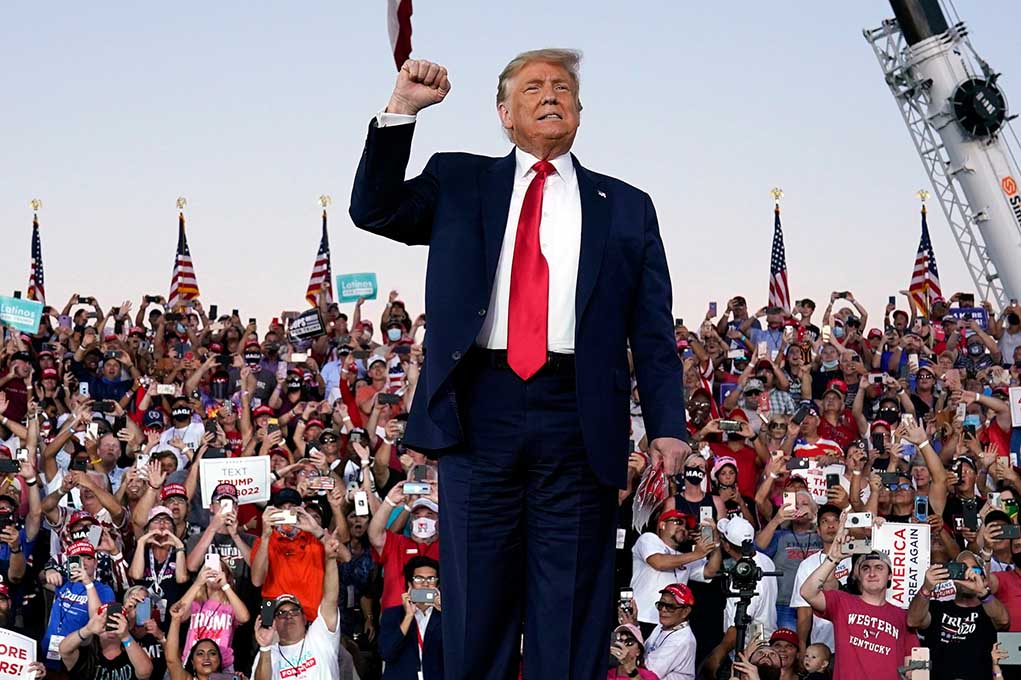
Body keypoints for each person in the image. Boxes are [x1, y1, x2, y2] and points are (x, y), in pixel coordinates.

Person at [349, 48, 688, 679]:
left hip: (580, 415)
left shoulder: (628, 205)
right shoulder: (460, 180)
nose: (551, 95)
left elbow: (651, 328)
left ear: (581, 112)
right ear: (504, 113)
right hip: (481, 406)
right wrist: (401, 109)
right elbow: (374, 209)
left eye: (563, 87)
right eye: (533, 87)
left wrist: (668, 423)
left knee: (573, 603)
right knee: (477, 598)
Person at [798, 540, 917, 680]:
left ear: (890, 576)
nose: (872, 573)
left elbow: (912, 668)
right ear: (858, 576)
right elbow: (807, 592)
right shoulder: (842, 602)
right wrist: (833, 559)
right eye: (865, 568)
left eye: (879, 568)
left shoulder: (903, 616)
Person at [252, 533, 345, 680]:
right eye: (281, 613)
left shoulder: (319, 637)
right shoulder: (269, 653)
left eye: (294, 611)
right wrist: (264, 647)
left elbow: (330, 599)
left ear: (304, 617)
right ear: (274, 623)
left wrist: (331, 559)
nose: (288, 616)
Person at [907, 552, 1007, 680]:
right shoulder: (937, 608)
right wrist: (926, 589)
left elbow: (1003, 621)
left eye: (974, 570)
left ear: (984, 578)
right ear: (952, 579)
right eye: (962, 570)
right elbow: (913, 621)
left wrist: (982, 592)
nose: (968, 575)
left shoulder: (989, 609)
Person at [629, 509, 719, 636]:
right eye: (678, 522)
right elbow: (658, 562)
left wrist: (715, 544)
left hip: (672, 625)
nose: (683, 528)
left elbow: (710, 571)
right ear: (662, 525)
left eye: (686, 526)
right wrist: (697, 553)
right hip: (643, 619)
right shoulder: (648, 539)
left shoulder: (686, 557)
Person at [379, 556, 443, 680]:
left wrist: (444, 613)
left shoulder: (445, 616)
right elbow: (386, 653)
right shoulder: (393, 614)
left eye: (431, 579)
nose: (425, 583)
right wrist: (408, 616)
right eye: (419, 578)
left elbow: (457, 652)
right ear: (409, 584)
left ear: (438, 585)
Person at [619, 583, 696, 680]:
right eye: (661, 604)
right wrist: (633, 626)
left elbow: (647, 674)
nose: (663, 610)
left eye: (670, 606)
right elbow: (643, 653)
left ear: (685, 611)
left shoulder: (681, 640)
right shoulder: (662, 626)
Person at [58, 604, 155, 680]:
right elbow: (64, 650)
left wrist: (125, 636)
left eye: (116, 622)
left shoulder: (132, 653)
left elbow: (145, 672)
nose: (110, 627)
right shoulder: (86, 655)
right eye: (105, 622)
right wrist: (87, 629)